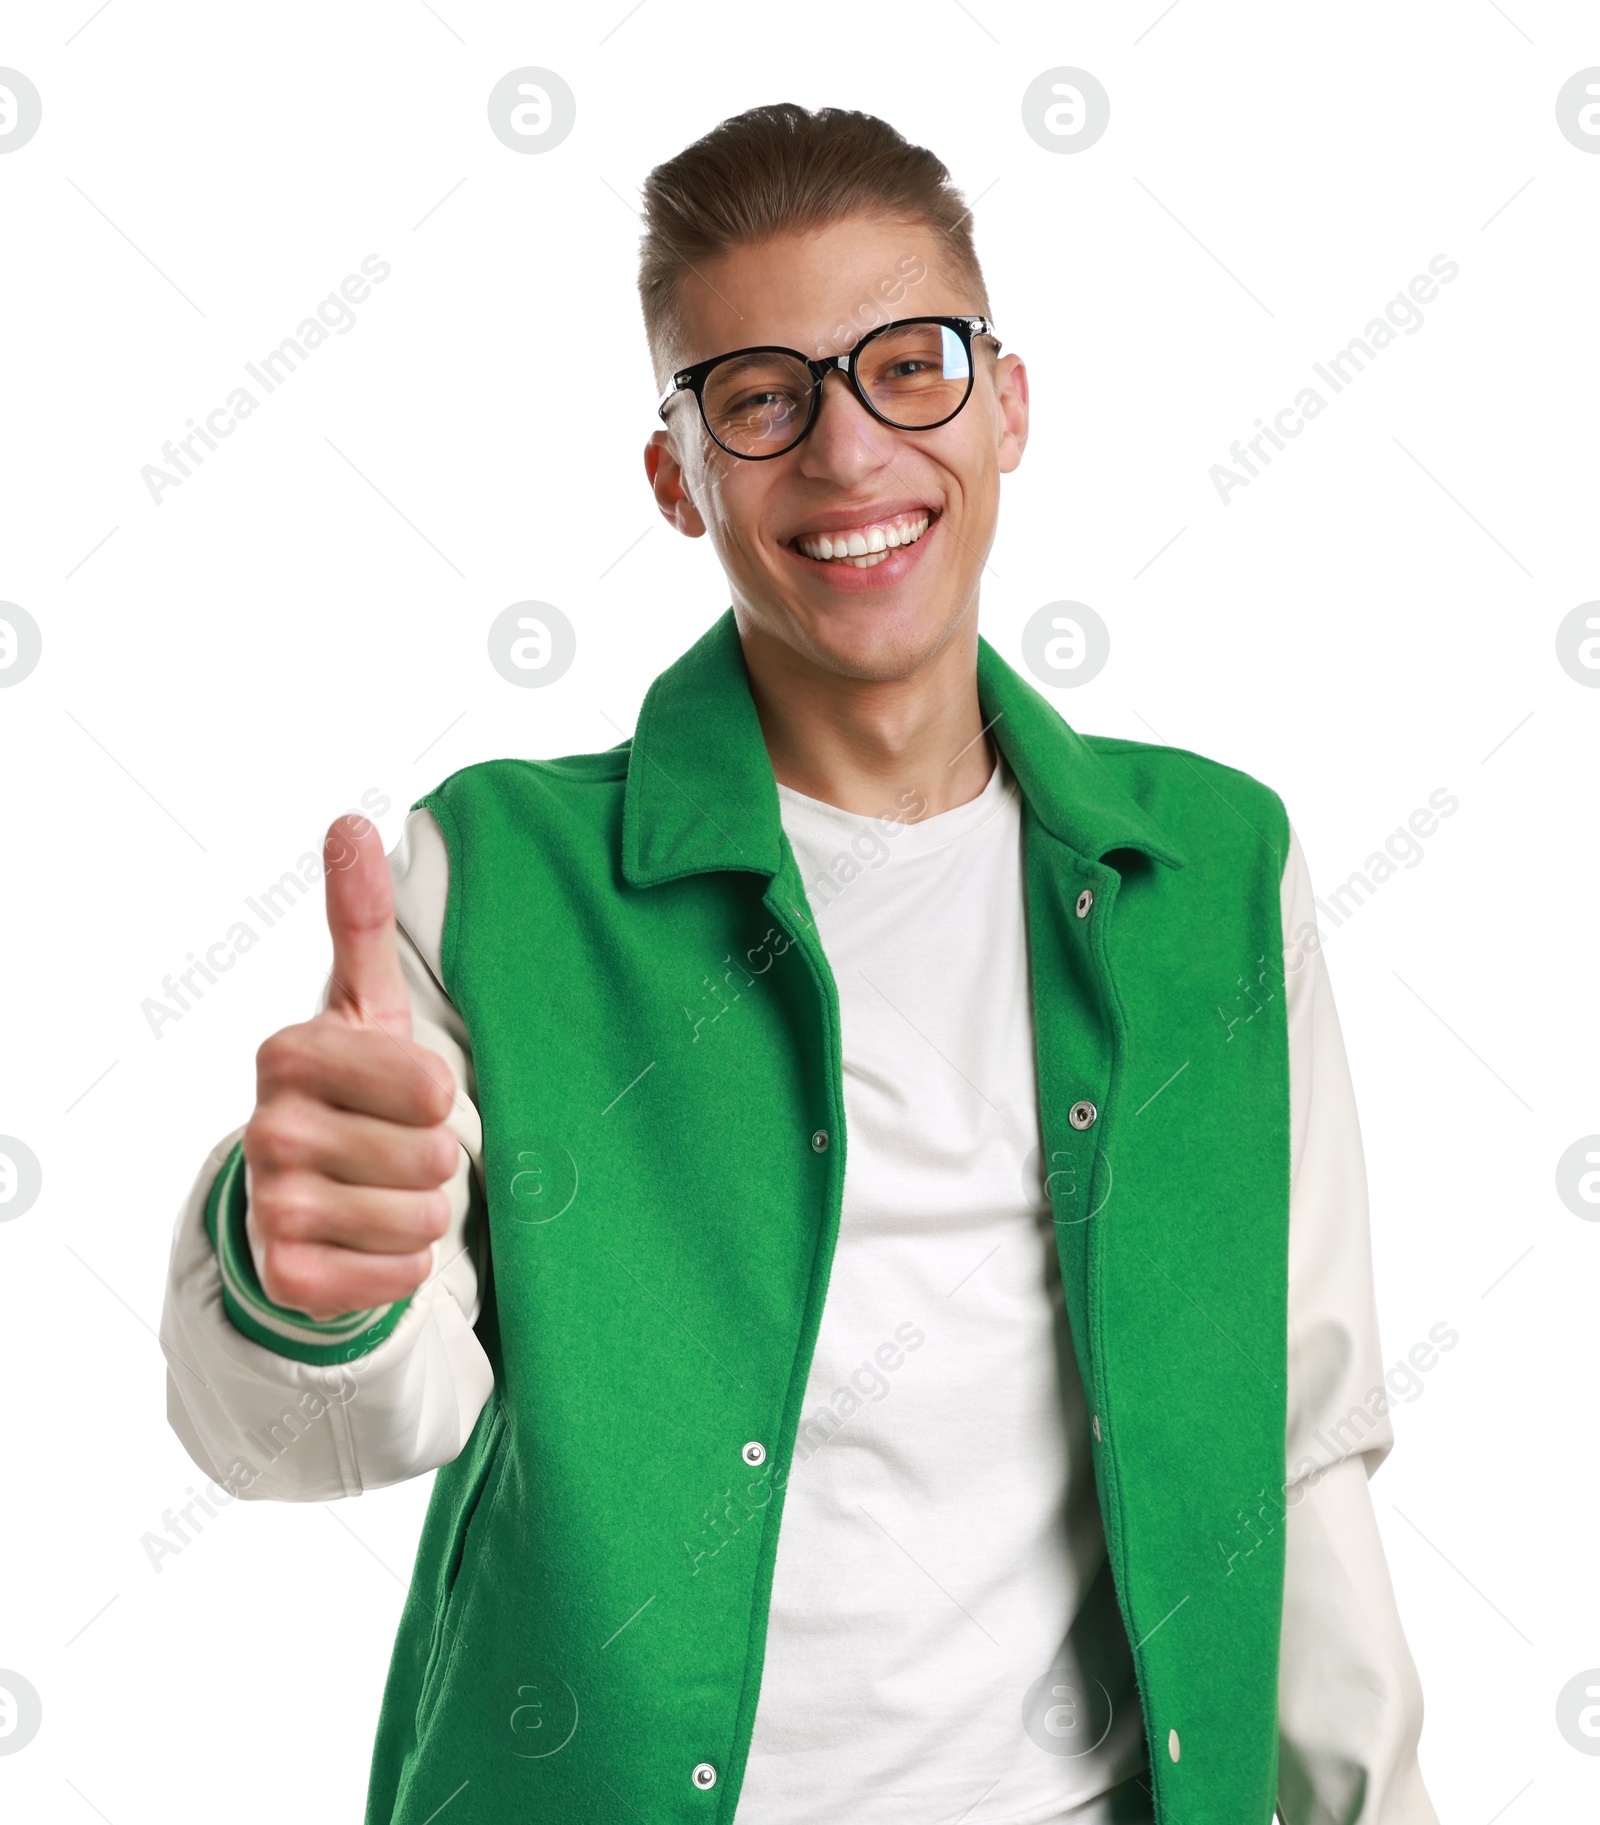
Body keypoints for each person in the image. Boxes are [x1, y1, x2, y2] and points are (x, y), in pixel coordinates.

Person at [160, 103, 1440, 1825]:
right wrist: (308, 1266)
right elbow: (319, 1434)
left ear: (1008, 404)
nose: (846, 453)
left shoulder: (1215, 871)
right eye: (761, 396)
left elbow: (1294, 1431)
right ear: (679, 477)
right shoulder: (502, 875)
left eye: (907, 364)